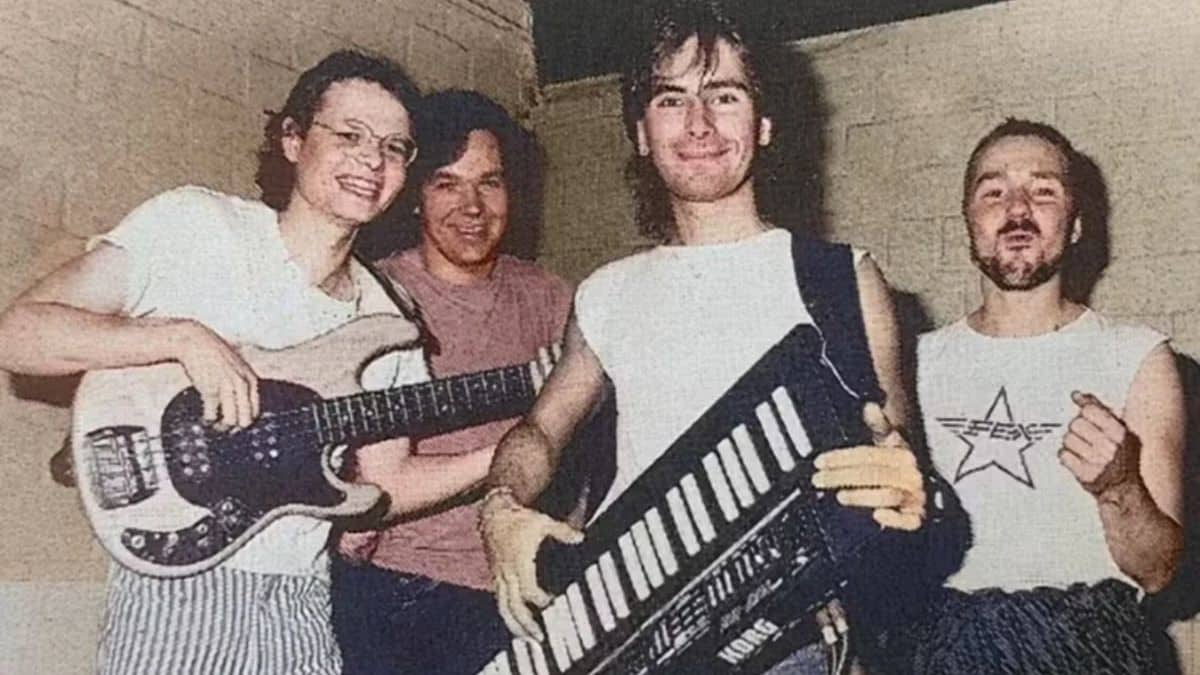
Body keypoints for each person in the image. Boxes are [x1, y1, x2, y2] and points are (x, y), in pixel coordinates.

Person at [476, 2, 928, 672]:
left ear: (764, 123)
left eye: (724, 95)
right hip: (629, 623)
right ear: (640, 133)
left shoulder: (840, 277)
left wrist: (905, 490)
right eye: (671, 99)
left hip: (785, 637)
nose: (698, 124)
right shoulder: (606, 291)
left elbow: (901, 452)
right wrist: (499, 508)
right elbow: (541, 431)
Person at [0, 50, 436, 674]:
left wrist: (519, 443)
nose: (373, 160)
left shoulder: (389, 319)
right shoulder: (198, 226)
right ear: (293, 139)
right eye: (350, 135)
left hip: (299, 601)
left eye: (395, 148)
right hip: (174, 591)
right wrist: (182, 338)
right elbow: (17, 334)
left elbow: (388, 482)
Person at [909, 118, 1185, 674]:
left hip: (1089, 648)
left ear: (1076, 225)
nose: (1017, 209)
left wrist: (1118, 485)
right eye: (993, 192)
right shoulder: (913, 363)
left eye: (1043, 191)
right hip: (944, 648)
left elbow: (1159, 571)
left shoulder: (1136, 356)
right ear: (968, 222)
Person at [331, 90, 574, 675]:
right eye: (447, 183)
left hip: (525, 585)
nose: (472, 207)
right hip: (402, 588)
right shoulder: (373, 295)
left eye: (490, 183)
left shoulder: (551, 298)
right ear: (415, 195)